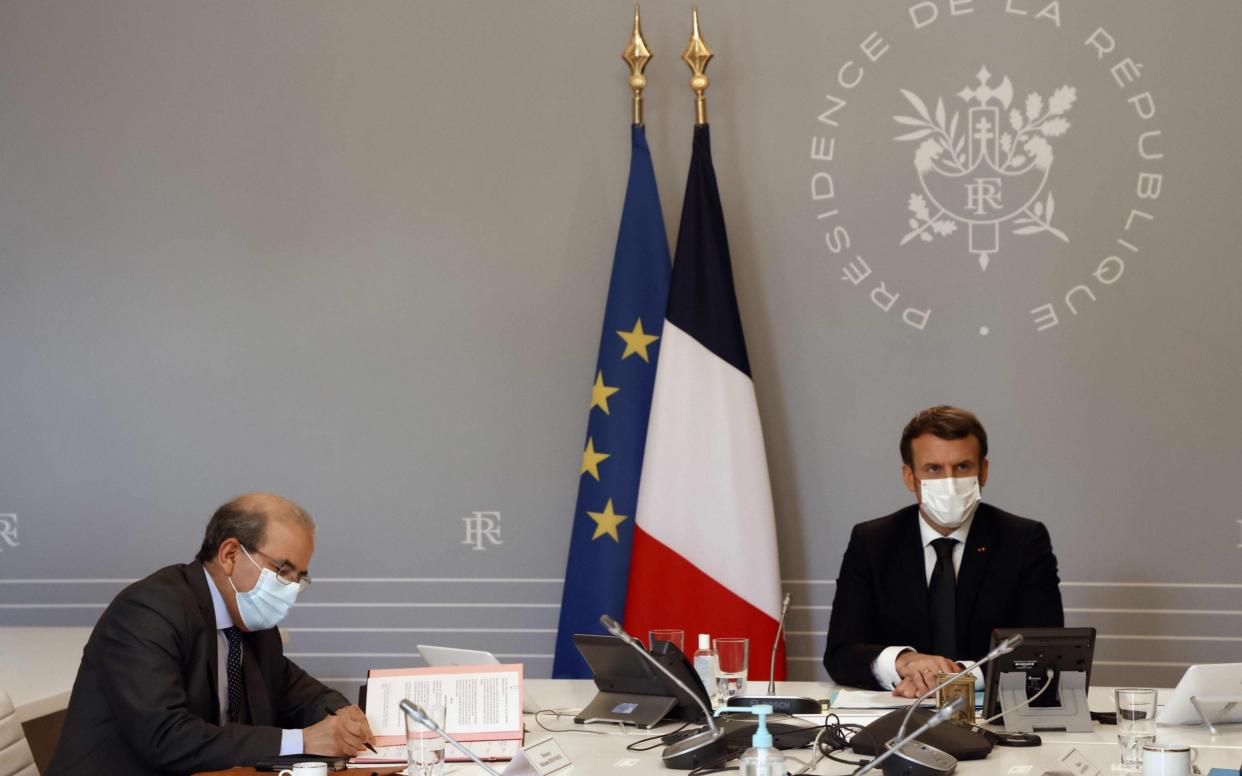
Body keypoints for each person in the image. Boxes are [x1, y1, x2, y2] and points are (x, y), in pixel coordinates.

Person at [47, 493, 376, 775]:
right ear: (230, 555)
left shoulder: (253, 626)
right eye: (282, 570)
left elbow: (300, 693)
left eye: (299, 577)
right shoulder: (150, 611)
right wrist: (301, 741)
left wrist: (341, 715)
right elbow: (166, 737)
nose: (290, 587)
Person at [823, 406, 1064, 698]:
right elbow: (841, 653)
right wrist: (904, 662)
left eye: (962, 467)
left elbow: (1042, 651)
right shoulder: (873, 541)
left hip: (990, 714)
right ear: (910, 477)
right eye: (933, 469)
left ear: (983, 472)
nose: (949, 482)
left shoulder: (1023, 540)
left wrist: (954, 677)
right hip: (896, 711)